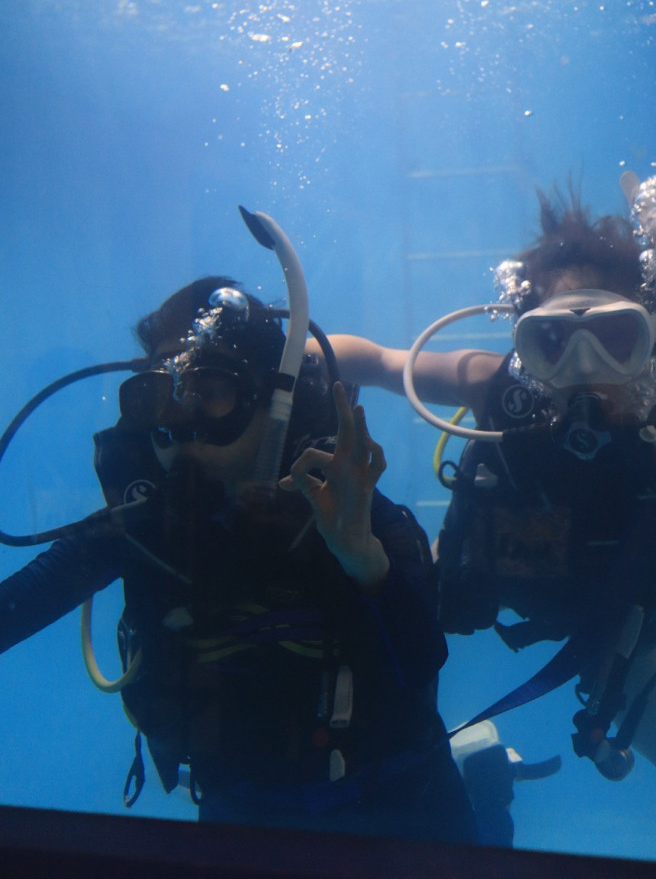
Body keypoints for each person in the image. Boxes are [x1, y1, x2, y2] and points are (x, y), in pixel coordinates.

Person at [318, 177, 656, 867]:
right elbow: (378, 361)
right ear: (525, 347)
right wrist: (291, 359)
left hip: (622, 626)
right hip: (501, 577)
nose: (584, 370)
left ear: (655, 343)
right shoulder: (499, 389)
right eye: (553, 340)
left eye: (616, 337)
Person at [0, 274, 477, 844]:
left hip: (401, 811)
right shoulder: (146, 526)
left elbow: (420, 661)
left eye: (209, 388)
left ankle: (491, 778)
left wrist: (362, 560)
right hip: (237, 818)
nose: (181, 418)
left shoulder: (352, 515)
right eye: (162, 393)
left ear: (274, 398)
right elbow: (19, 605)